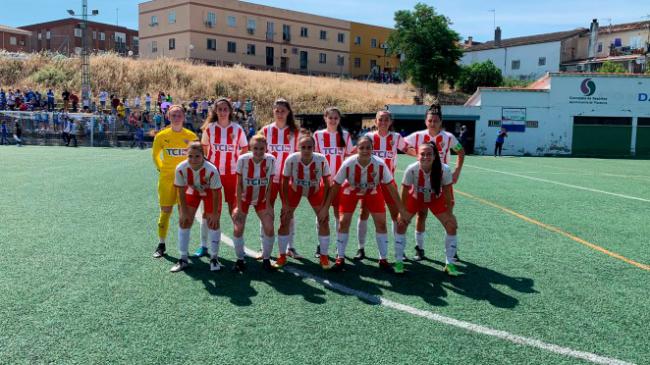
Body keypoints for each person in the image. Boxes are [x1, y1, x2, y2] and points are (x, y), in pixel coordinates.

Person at [318, 136, 407, 273]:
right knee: (343, 221)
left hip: (372, 190)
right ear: (357, 149)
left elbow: (390, 187)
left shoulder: (380, 164)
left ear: (372, 149)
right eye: (361, 148)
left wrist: (401, 209)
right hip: (351, 189)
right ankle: (340, 258)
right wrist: (325, 208)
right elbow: (335, 185)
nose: (365, 150)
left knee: (381, 222)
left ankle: (383, 259)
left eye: (368, 148)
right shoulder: (349, 163)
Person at [404, 103, 464, 261]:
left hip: (441, 183)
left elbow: (461, 151)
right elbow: (402, 145)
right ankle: (419, 249)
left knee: (448, 215)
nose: (433, 123)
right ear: (426, 121)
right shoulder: (418, 136)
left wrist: (456, 171)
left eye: (436, 121)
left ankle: (452, 250)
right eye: (430, 120)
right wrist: (417, 154)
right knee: (421, 214)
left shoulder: (448, 137)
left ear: (441, 122)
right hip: (421, 182)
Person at [355, 110, 414, 260]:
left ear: (390, 122)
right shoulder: (368, 137)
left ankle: (399, 249)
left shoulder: (396, 137)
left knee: (396, 215)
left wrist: (424, 154)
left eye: (386, 119)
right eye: (380, 119)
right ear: (375, 121)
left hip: (389, 183)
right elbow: (358, 154)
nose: (383, 122)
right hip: (370, 183)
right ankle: (360, 248)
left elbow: (407, 149)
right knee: (364, 213)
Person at [394, 143, 459, 275]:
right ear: (418, 156)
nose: (425, 157)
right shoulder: (411, 169)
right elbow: (405, 191)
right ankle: (399, 261)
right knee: (400, 225)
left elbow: (447, 193)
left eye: (429, 154)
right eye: (422, 154)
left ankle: (449, 264)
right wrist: (402, 212)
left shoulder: (444, 169)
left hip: (436, 199)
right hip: (416, 197)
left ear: (435, 156)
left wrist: (450, 213)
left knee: (451, 226)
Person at [196, 98, 248, 257]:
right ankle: (204, 246)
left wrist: (239, 166)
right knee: (208, 211)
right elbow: (204, 148)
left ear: (230, 111)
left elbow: (244, 148)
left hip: (232, 174)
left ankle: (240, 246)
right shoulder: (209, 129)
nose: (223, 112)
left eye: (226, 109)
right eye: (220, 109)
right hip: (213, 175)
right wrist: (209, 166)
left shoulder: (237, 129)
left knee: (235, 209)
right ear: (215, 111)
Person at [276, 134, 332, 269]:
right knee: (284, 219)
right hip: (294, 189)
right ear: (298, 147)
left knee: (324, 220)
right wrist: (285, 204)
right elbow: (284, 181)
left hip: (315, 190)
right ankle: (282, 255)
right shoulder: (292, 159)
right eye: (303, 147)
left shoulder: (321, 159)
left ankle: (323, 256)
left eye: (309, 147)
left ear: (314, 147)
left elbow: (327, 184)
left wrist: (325, 207)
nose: (306, 150)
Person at [151, 105, 198, 258]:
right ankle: (161, 244)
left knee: (183, 213)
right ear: (168, 117)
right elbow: (155, 155)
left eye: (179, 115)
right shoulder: (161, 136)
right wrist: (161, 168)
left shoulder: (191, 136)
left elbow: (198, 158)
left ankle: (183, 246)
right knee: (165, 211)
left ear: (183, 117)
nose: (176, 118)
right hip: (166, 179)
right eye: (173, 115)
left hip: (185, 181)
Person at [170, 142, 223, 273]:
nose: (193, 160)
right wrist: (183, 212)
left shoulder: (211, 169)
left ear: (203, 156)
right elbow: (181, 192)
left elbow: (217, 193)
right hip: (192, 192)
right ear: (186, 156)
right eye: (190, 156)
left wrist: (215, 214)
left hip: (211, 194)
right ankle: (183, 258)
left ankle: (214, 258)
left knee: (213, 222)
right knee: (184, 221)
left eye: (197, 156)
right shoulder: (181, 168)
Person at [259, 98, 301, 258]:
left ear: (288, 112)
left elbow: (298, 156)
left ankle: (290, 247)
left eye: (283, 111)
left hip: (287, 179)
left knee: (288, 212)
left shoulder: (295, 132)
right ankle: (263, 247)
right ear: (273, 111)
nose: (280, 113)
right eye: (277, 110)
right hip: (268, 180)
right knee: (266, 212)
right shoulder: (265, 131)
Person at [312, 107, 354, 257]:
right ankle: (320, 245)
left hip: (339, 183)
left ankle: (338, 246)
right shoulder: (317, 135)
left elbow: (349, 158)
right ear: (325, 118)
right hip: (323, 183)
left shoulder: (346, 135)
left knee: (339, 216)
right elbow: (314, 159)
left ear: (339, 120)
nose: (333, 120)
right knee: (322, 215)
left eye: (336, 118)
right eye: (330, 118)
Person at [231, 135, 277, 272]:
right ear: (251, 148)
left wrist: (268, 205)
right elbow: (238, 185)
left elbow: (270, 184)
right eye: (255, 148)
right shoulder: (243, 159)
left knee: (269, 227)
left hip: (261, 199)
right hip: (243, 198)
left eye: (261, 148)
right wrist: (239, 207)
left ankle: (267, 259)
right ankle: (240, 260)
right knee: (238, 228)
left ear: (266, 148)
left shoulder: (271, 160)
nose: (258, 151)